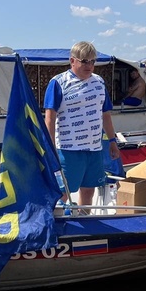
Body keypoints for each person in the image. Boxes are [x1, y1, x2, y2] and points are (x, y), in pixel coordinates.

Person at [44, 41, 120, 208]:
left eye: (93, 61)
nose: (89, 65)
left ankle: (84, 221)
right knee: (62, 192)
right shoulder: (58, 83)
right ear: (73, 61)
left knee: (88, 191)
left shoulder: (99, 82)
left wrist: (113, 141)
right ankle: (55, 223)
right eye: (85, 61)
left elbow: (105, 114)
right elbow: (50, 118)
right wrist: (50, 148)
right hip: (68, 148)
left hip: (94, 149)